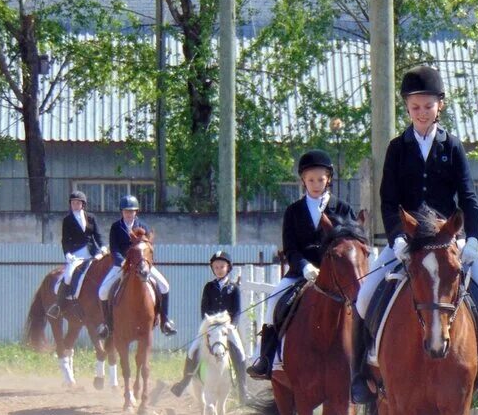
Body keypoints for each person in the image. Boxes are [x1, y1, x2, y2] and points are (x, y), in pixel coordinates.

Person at [351, 65, 478, 405]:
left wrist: (474, 238)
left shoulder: (452, 147)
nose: (421, 113)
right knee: (364, 296)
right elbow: (388, 201)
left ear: (441, 105)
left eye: (427, 106)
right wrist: (397, 239)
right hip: (407, 242)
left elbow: (468, 196)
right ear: (407, 108)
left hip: (446, 241)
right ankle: (360, 372)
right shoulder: (397, 148)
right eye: (415, 107)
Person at [246, 149, 355, 380]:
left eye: (320, 179)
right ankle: (265, 359)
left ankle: (365, 359)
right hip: (301, 272)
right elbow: (290, 248)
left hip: (337, 276)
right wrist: (305, 266)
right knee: (274, 301)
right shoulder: (293, 211)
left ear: (329, 179)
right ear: (303, 180)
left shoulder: (343, 209)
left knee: (362, 302)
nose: (316, 184)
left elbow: (351, 244)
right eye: (311, 179)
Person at [171, 250, 249, 402]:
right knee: (192, 350)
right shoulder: (209, 287)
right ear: (213, 269)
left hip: (227, 328)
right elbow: (204, 309)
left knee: (239, 351)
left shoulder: (234, 288)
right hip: (211, 327)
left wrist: (232, 325)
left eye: (222, 266)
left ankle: (242, 388)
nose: (219, 269)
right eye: (216, 267)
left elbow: (237, 311)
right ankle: (184, 382)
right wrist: (208, 326)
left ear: (228, 267)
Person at [96, 194, 176, 339]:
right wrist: (121, 261)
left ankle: (165, 321)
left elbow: (148, 247)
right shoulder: (116, 227)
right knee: (102, 291)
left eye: (132, 211)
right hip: (122, 264)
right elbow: (114, 248)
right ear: (122, 212)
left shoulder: (143, 226)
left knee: (164, 285)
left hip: (142, 264)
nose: (129, 214)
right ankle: (107, 324)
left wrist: (145, 262)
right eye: (126, 211)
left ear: (136, 212)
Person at [47, 189, 104, 319]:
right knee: (68, 275)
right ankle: (58, 305)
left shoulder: (91, 217)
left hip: (92, 253)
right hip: (76, 254)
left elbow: (98, 235)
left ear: (83, 204)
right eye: (73, 203)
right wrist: (67, 254)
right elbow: (65, 239)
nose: (75, 205)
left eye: (78, 203)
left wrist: (103, 248)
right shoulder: (67, 220)